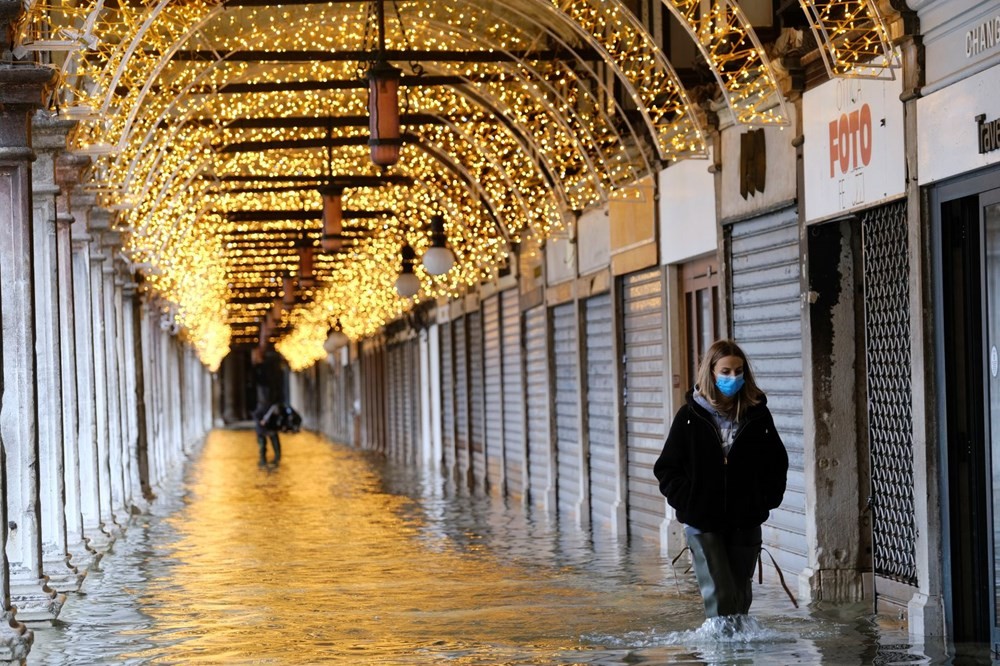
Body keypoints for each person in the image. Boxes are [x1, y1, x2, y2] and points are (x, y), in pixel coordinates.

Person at [653, 339, 788, 621]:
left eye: (738, 371)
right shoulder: (689, 416)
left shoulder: (757, 415)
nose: (733, 377)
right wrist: (690, 505)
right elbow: (667, 468)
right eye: (725, 371)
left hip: (745, 519)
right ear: (711, 372)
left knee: (740, 599)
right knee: (721, 597)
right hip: (703, 521)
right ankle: (720, 657)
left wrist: (763, 502)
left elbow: (777, 463)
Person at [253, 400, 282, 466]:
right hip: (261, 430)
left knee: (275, 443)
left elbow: (277, 419)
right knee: (262, 445)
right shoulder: (259, 411)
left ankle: (277, 458)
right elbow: (256, 416)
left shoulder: (273, 410)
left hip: (271, 428)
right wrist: (260, 421)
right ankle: (263, 459)